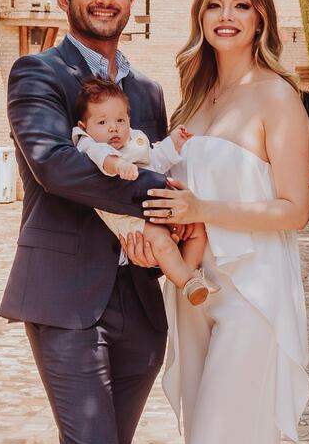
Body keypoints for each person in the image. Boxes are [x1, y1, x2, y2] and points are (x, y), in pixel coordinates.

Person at [123, 0, 309, 444]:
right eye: (214, 4)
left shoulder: (277, 96)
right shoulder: (198, 96)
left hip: (254, 295)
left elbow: (295, 209)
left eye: (240, 5)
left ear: (262, 16)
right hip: (195, 293)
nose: (225, 17)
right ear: (199, 15)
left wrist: (203, 207)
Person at [0, 0, 172, 444]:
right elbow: (53, 163)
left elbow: (156, 159)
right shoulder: (37, 73)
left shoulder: (149, 93)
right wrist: (164, 195)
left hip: (140, 308)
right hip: (65, 298)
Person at [72, 75, 209, 305]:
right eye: (102, 122)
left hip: (154, 208)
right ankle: (187, 282)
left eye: (120, 120)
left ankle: (189, 273)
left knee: (197, 231)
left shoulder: (134, 141)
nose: (113, 128)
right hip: (129, 217)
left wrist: (175, 142)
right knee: (163, 243)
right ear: (84, 127)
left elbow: (155, 160)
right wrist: (118, 165)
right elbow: (101, 158)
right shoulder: (89, 143)